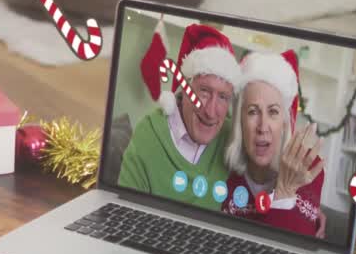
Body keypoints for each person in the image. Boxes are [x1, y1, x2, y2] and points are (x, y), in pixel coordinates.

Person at [118, 21, 242, 209]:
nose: (210, 111)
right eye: (204, 92)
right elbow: (124, 213)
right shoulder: (148, 135)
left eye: (223, 97)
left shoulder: (232, 138)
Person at [221, 51, 328, 238]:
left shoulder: (307, 166)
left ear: (285, 122)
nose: (263, 127)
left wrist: (284, 192)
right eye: (253, 112)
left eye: (273, 112)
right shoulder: (224, 169)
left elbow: (292, 252)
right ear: (240, 121)